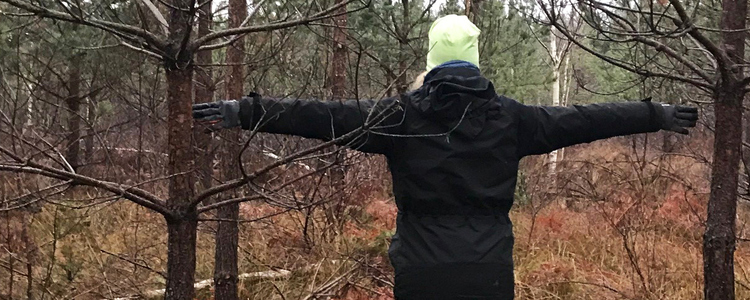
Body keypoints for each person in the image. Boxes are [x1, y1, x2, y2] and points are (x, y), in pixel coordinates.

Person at [193, 14, 697, 300]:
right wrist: (655, 113)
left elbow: (322, 115)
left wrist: (246, 111)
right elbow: (589, 119)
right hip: (488, 270)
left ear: (431, 60)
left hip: (422, 271)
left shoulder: (399, 116)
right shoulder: (512, 119)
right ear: (475, 62)